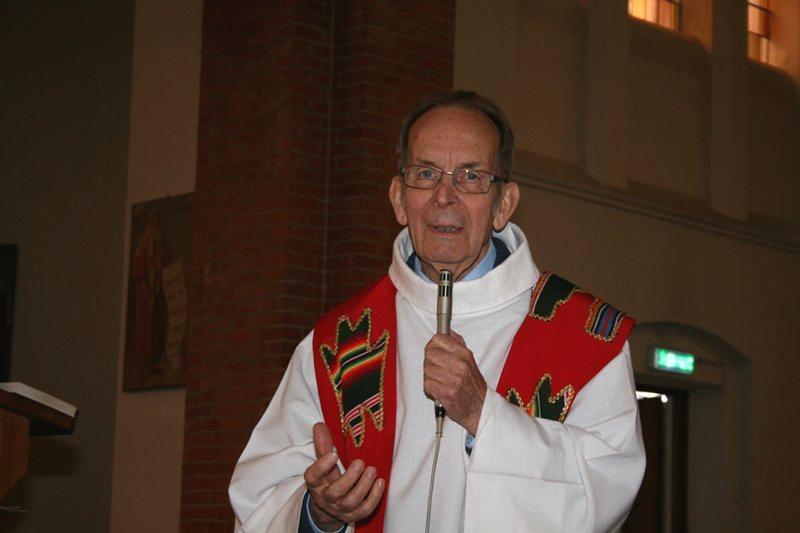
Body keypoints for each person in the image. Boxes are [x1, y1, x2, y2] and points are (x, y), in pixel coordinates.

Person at [229, 91, 645, 532]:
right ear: (397, 198)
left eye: (470, 177)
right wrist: (319, 515)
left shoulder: (584, 337)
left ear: (503, 204)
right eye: (425, 174)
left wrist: (483, 415)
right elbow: (260, 501)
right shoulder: (338, 342)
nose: (444, 196)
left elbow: (604, 492)